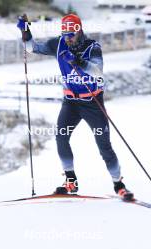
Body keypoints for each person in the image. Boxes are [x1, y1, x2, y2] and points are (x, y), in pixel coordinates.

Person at [17, 14, 134, 200]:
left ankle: (119, 184)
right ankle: (71, 180)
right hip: (70, 102)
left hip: (92, 102)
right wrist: (25, 31)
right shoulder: (59, 44)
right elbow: (32, 48)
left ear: (79, 31)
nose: (68, 38)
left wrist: (78, 62)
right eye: (65, 34)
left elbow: (97, 72)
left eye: (71, 34)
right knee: (61, 137)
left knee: (104, 146)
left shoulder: (92, 47)